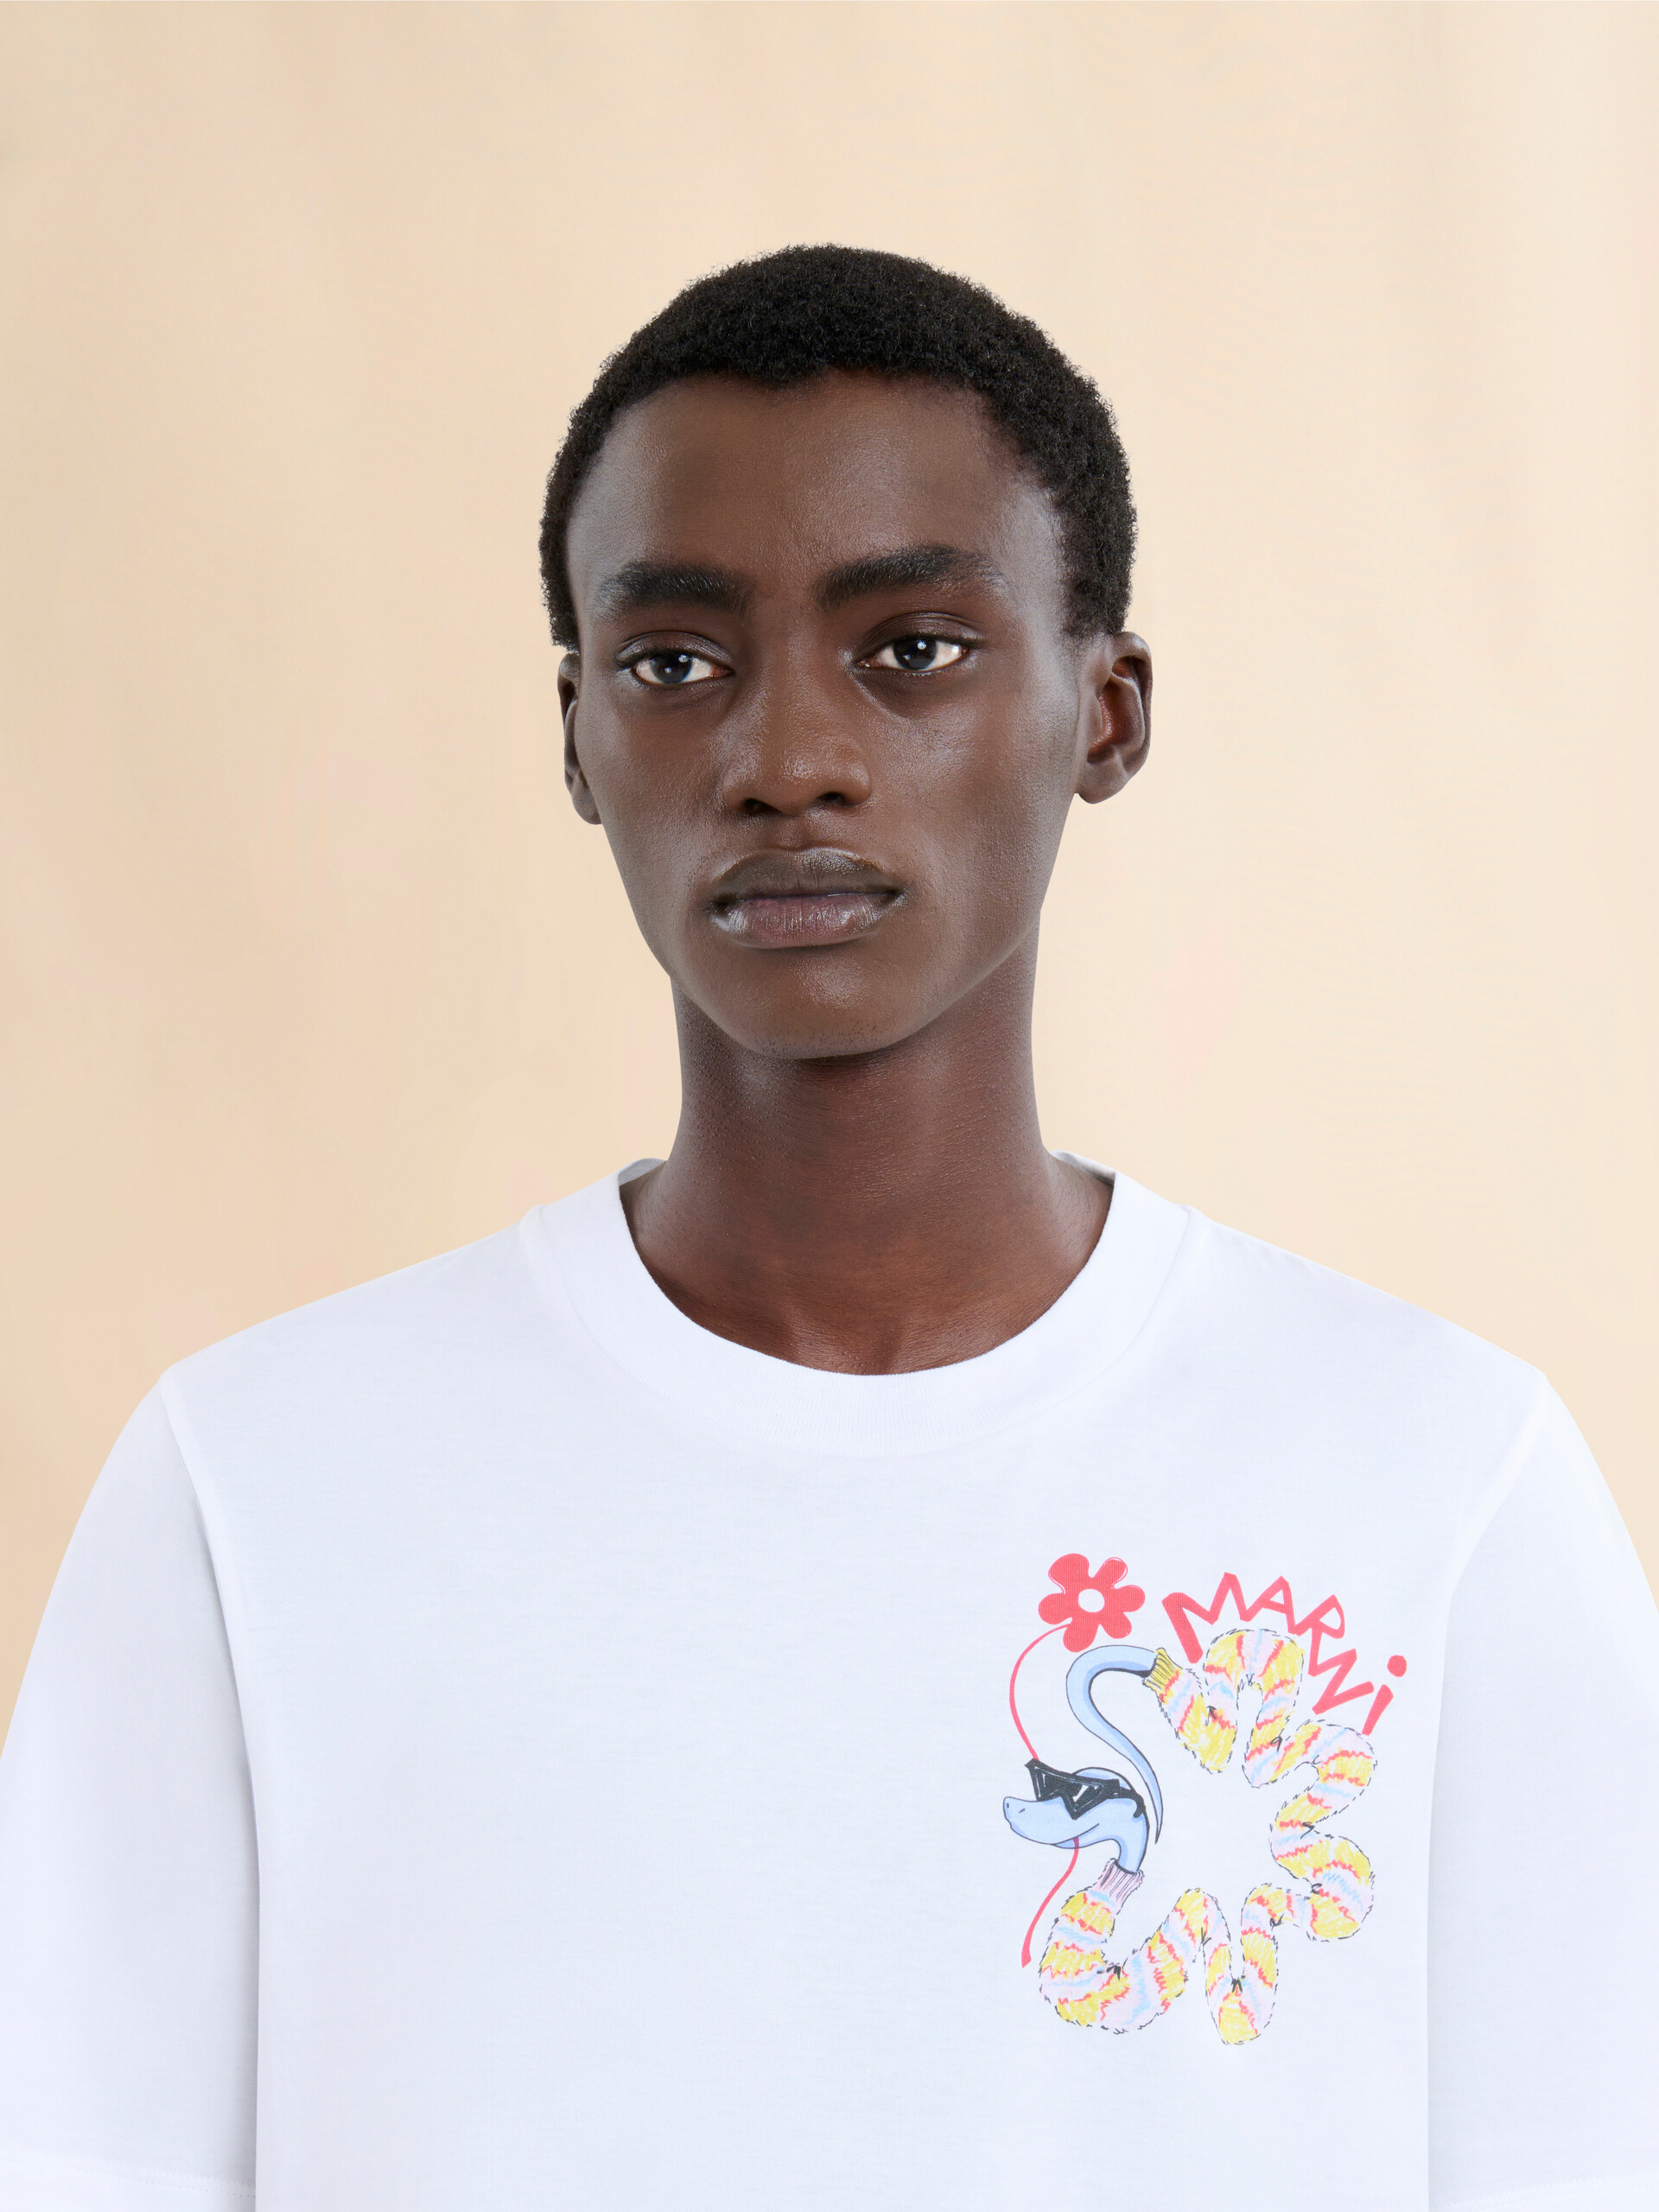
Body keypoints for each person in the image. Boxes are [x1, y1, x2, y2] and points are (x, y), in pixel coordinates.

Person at [0, 245, 1653, 2212]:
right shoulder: (255, 1487)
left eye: (914, 647)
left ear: (1106, 711)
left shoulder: (1438, 1483)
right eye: (675, 663)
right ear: (576, 734)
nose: (788, 759)